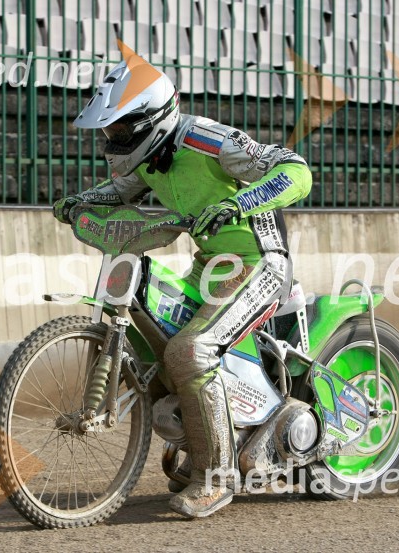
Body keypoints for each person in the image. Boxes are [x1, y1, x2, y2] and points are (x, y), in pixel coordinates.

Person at [53, 57, 312, 518]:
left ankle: (217, 477)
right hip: (209, 267)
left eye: (121, 131)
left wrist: (240, 203)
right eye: (109, 133)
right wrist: (82, 200)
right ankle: (204, 436)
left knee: (190, 351)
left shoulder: (207, 141)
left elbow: (296, 171)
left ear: (152, 119)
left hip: (260, 263)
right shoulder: (150, 157)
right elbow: (121, 190)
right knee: (154, 343)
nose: (114, 141)